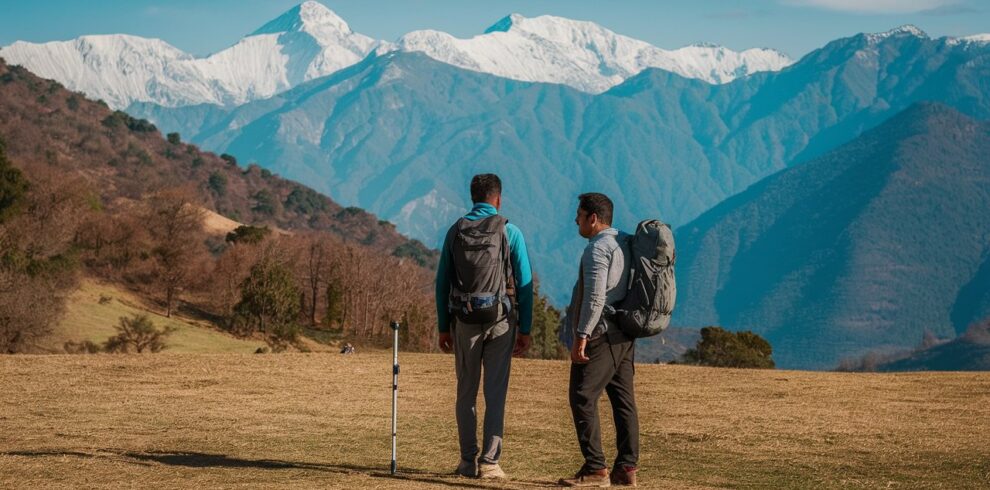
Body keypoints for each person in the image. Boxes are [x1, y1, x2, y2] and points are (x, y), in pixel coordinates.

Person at [435, 173, 534, 479]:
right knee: (495, 392)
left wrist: (443, 326)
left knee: (466, 392)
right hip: (501, 322)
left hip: (464, 322)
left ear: (472, 197)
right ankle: (490, 463)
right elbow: (525, 283)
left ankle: (467, 461)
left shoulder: (456, 231)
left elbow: (441, 283)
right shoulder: (510, 231)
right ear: (498, 199)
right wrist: (525, 328)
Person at [559, 192, 639, 487]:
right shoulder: (626, 242)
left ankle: (595, 468)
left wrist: (581, 336)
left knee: (581, 396)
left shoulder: (597, 250)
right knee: (623, 400)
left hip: (601, 333)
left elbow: (594, 297)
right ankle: (626, 468)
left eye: (579, 215)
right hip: (625, 333)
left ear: (593, 218)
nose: (575, 220)